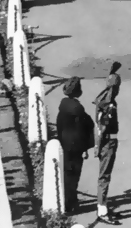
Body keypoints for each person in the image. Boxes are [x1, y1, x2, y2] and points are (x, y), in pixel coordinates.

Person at [56, 77, 94, 215]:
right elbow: (85, 128)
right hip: (76, 148)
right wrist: (86, 148)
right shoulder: (78, 110)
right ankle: (70, 203)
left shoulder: (62, 106)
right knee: (74, 176)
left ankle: (68, 201)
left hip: (64, 145)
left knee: (67, 174)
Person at [93, 62, 122, 225]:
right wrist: (99, 147)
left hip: (107, 142)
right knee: (104, 177)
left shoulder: (102, 99)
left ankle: (102, 207)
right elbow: (101, 128)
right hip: (108, 143)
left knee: (104, 176)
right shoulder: (108, 105)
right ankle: (102, 210)